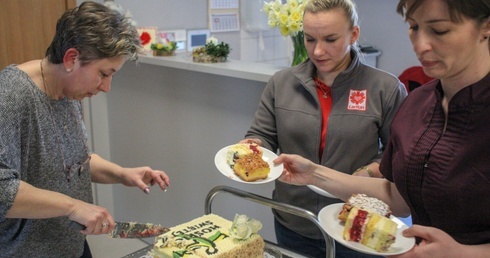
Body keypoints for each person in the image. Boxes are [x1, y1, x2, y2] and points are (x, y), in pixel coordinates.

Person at [275, 0, 490, 257]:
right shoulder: (416, 106)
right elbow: (397, 199)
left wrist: (465, 253)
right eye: (413, 27)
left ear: (485, 26)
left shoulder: (386, 89)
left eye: (440, 30)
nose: (420, 45)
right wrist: (314, 174)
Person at [0, 2, 170, 257]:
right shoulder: (11, 96)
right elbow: (2, 189)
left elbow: (76, 162)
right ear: (71, 58)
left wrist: (122, 174)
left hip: (72, 246)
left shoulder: (70, 93)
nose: (106, 87)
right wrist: (72, 207)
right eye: (104, 74)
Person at [240, 0, 407, 257]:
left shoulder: (385, 88)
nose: (318, 51)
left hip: (353, 225)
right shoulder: (282, 83)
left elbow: (397, 156)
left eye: (330, 39)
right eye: (309, 39)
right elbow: (261, 135)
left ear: (354, 34)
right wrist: (252, 146)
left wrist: (367, 172)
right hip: (294, 220)